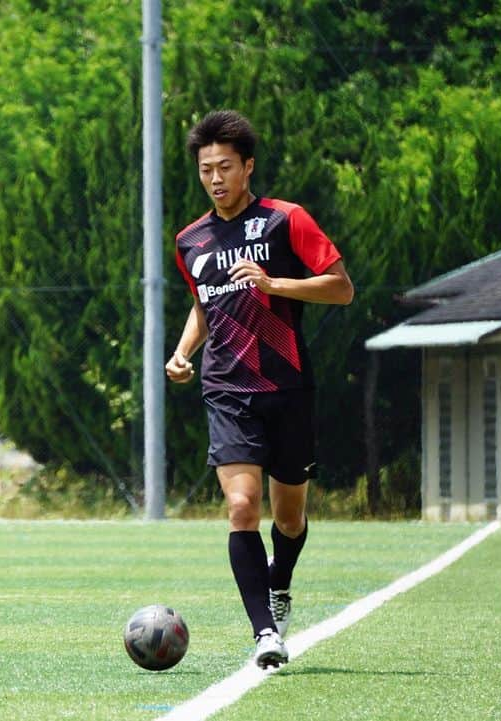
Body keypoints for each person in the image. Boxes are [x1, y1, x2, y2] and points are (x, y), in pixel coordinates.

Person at [166, 110, 354, 669]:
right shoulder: (190, 241)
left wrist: (276, 284)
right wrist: (182, 354)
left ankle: (280, 582)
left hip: (288, 387)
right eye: (206, 170)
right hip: (227, 388)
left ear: (248, 167)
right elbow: (206, 306)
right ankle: (265, 633)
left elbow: (342, 289)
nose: (216, 178)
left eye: (225, 167)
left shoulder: (285, 220)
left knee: (289, 517)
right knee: (242, 506)